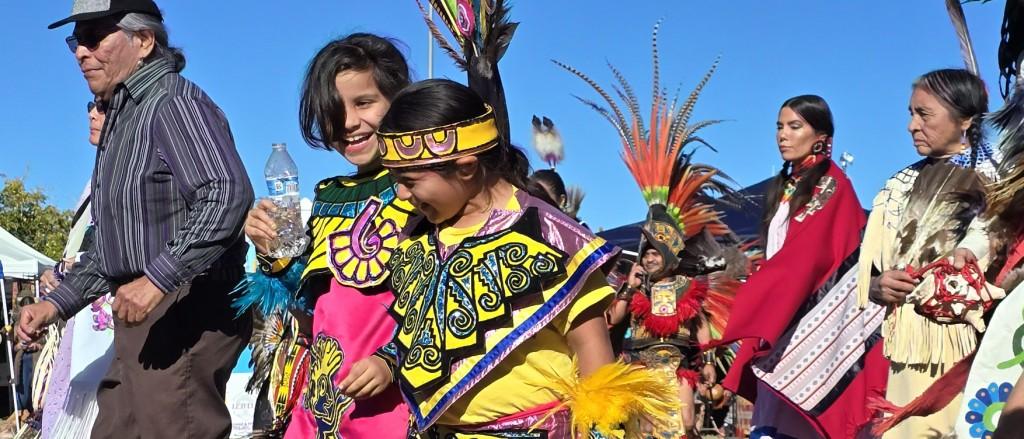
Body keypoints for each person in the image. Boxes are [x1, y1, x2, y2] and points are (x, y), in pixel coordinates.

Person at [337, 79, 670, 438]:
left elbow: (595, 360)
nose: (401, 195)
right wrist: (388, 362)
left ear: (465, 167)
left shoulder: (556, 240)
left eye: (410, 181)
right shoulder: (416, 239)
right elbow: (424, 335)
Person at [18, 2, 254, 437]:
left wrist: (157, 279)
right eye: (76, 41)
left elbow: (227, 194)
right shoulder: (124, 117)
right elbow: (114, 247)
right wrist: (55, 303)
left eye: (94, 37)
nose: (80, 53)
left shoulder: (172, 102)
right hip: (142, 315)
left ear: (143, 41)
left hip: (184, 311)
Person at [237, 33, 414, 438]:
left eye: (364, 103)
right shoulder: (329, 196)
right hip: (324, 404)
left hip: (400, 404)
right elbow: (310, 309)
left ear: (398, 99)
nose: (349, 123)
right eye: (334, 111)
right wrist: (273, 255)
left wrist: (391, 359)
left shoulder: (424, 188)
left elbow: (446, 293)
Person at [715, 95, 888, 438]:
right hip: (786, 317)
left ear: (821, 136)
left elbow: (806, 259)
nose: (783, 135)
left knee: (803, 418)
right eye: (780, 127)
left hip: (810, 318)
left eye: (795, 127)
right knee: (774, 417)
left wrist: (757, 298)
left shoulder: (833, 185)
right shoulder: (784, 187)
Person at [859, 69, 994, 438]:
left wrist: (970, 253)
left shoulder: (996, 181)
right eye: (911, 113)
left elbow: (994, 237)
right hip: (906, 345)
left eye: (924, 114)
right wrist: (876, 284)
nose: (911, 126)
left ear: (965, 119)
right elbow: (871, 267)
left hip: (967, 348)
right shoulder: (898, 185)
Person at [27, 99, 114, 439]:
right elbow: (85, 246)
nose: (92, 114)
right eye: (90, 106)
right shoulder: (96, 178)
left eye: (103, 107)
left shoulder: (126, 173)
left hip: (106, 336)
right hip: (78, 327)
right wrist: (58, 271)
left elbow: (112, 250)